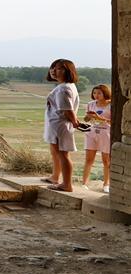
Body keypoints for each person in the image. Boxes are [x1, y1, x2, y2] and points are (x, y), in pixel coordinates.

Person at [42, 58, 81, 192]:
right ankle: (55, 176)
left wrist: (75, 122)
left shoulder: (63, 89)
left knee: (62, 154)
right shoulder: (66, 86)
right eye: (53, 67)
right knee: (55, 152)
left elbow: (67, 109)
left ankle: (67, 184)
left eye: (59, 68)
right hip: (57, 124)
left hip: (60, 125)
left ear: (68, 71)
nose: (54, 71)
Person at [81, 84, 112, 193]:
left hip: (106, 133)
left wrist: (100, 118)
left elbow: (114, 122)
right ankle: (84, 183)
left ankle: (106, 184)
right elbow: (86, 119)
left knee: (106, 160)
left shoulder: (111, 105)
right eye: (94, 93)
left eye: (99, 93)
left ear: (105, 93)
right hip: (92, 132)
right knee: (89, 159)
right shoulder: (90, 104)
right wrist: (88, 117)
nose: (96, 95)